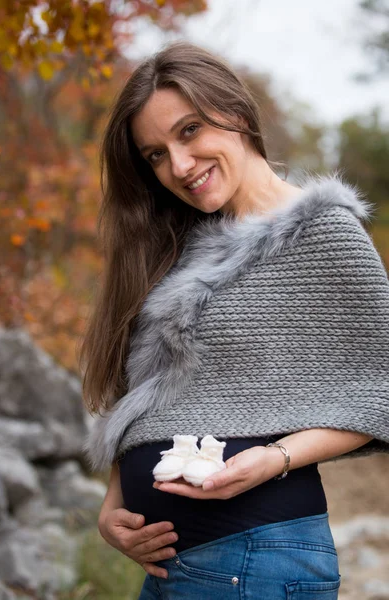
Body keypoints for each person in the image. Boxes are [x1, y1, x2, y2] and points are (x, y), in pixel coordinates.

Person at [80, 41, 389, 599]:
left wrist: (275, 459)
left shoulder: (326, 234)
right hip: (175, 569)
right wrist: (114, 501)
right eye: (154, 154)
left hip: (258, 559)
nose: (177, 165)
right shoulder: (182, 247)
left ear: (238, 116)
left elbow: (379, 390)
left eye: (190, 131)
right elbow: (152, 395)